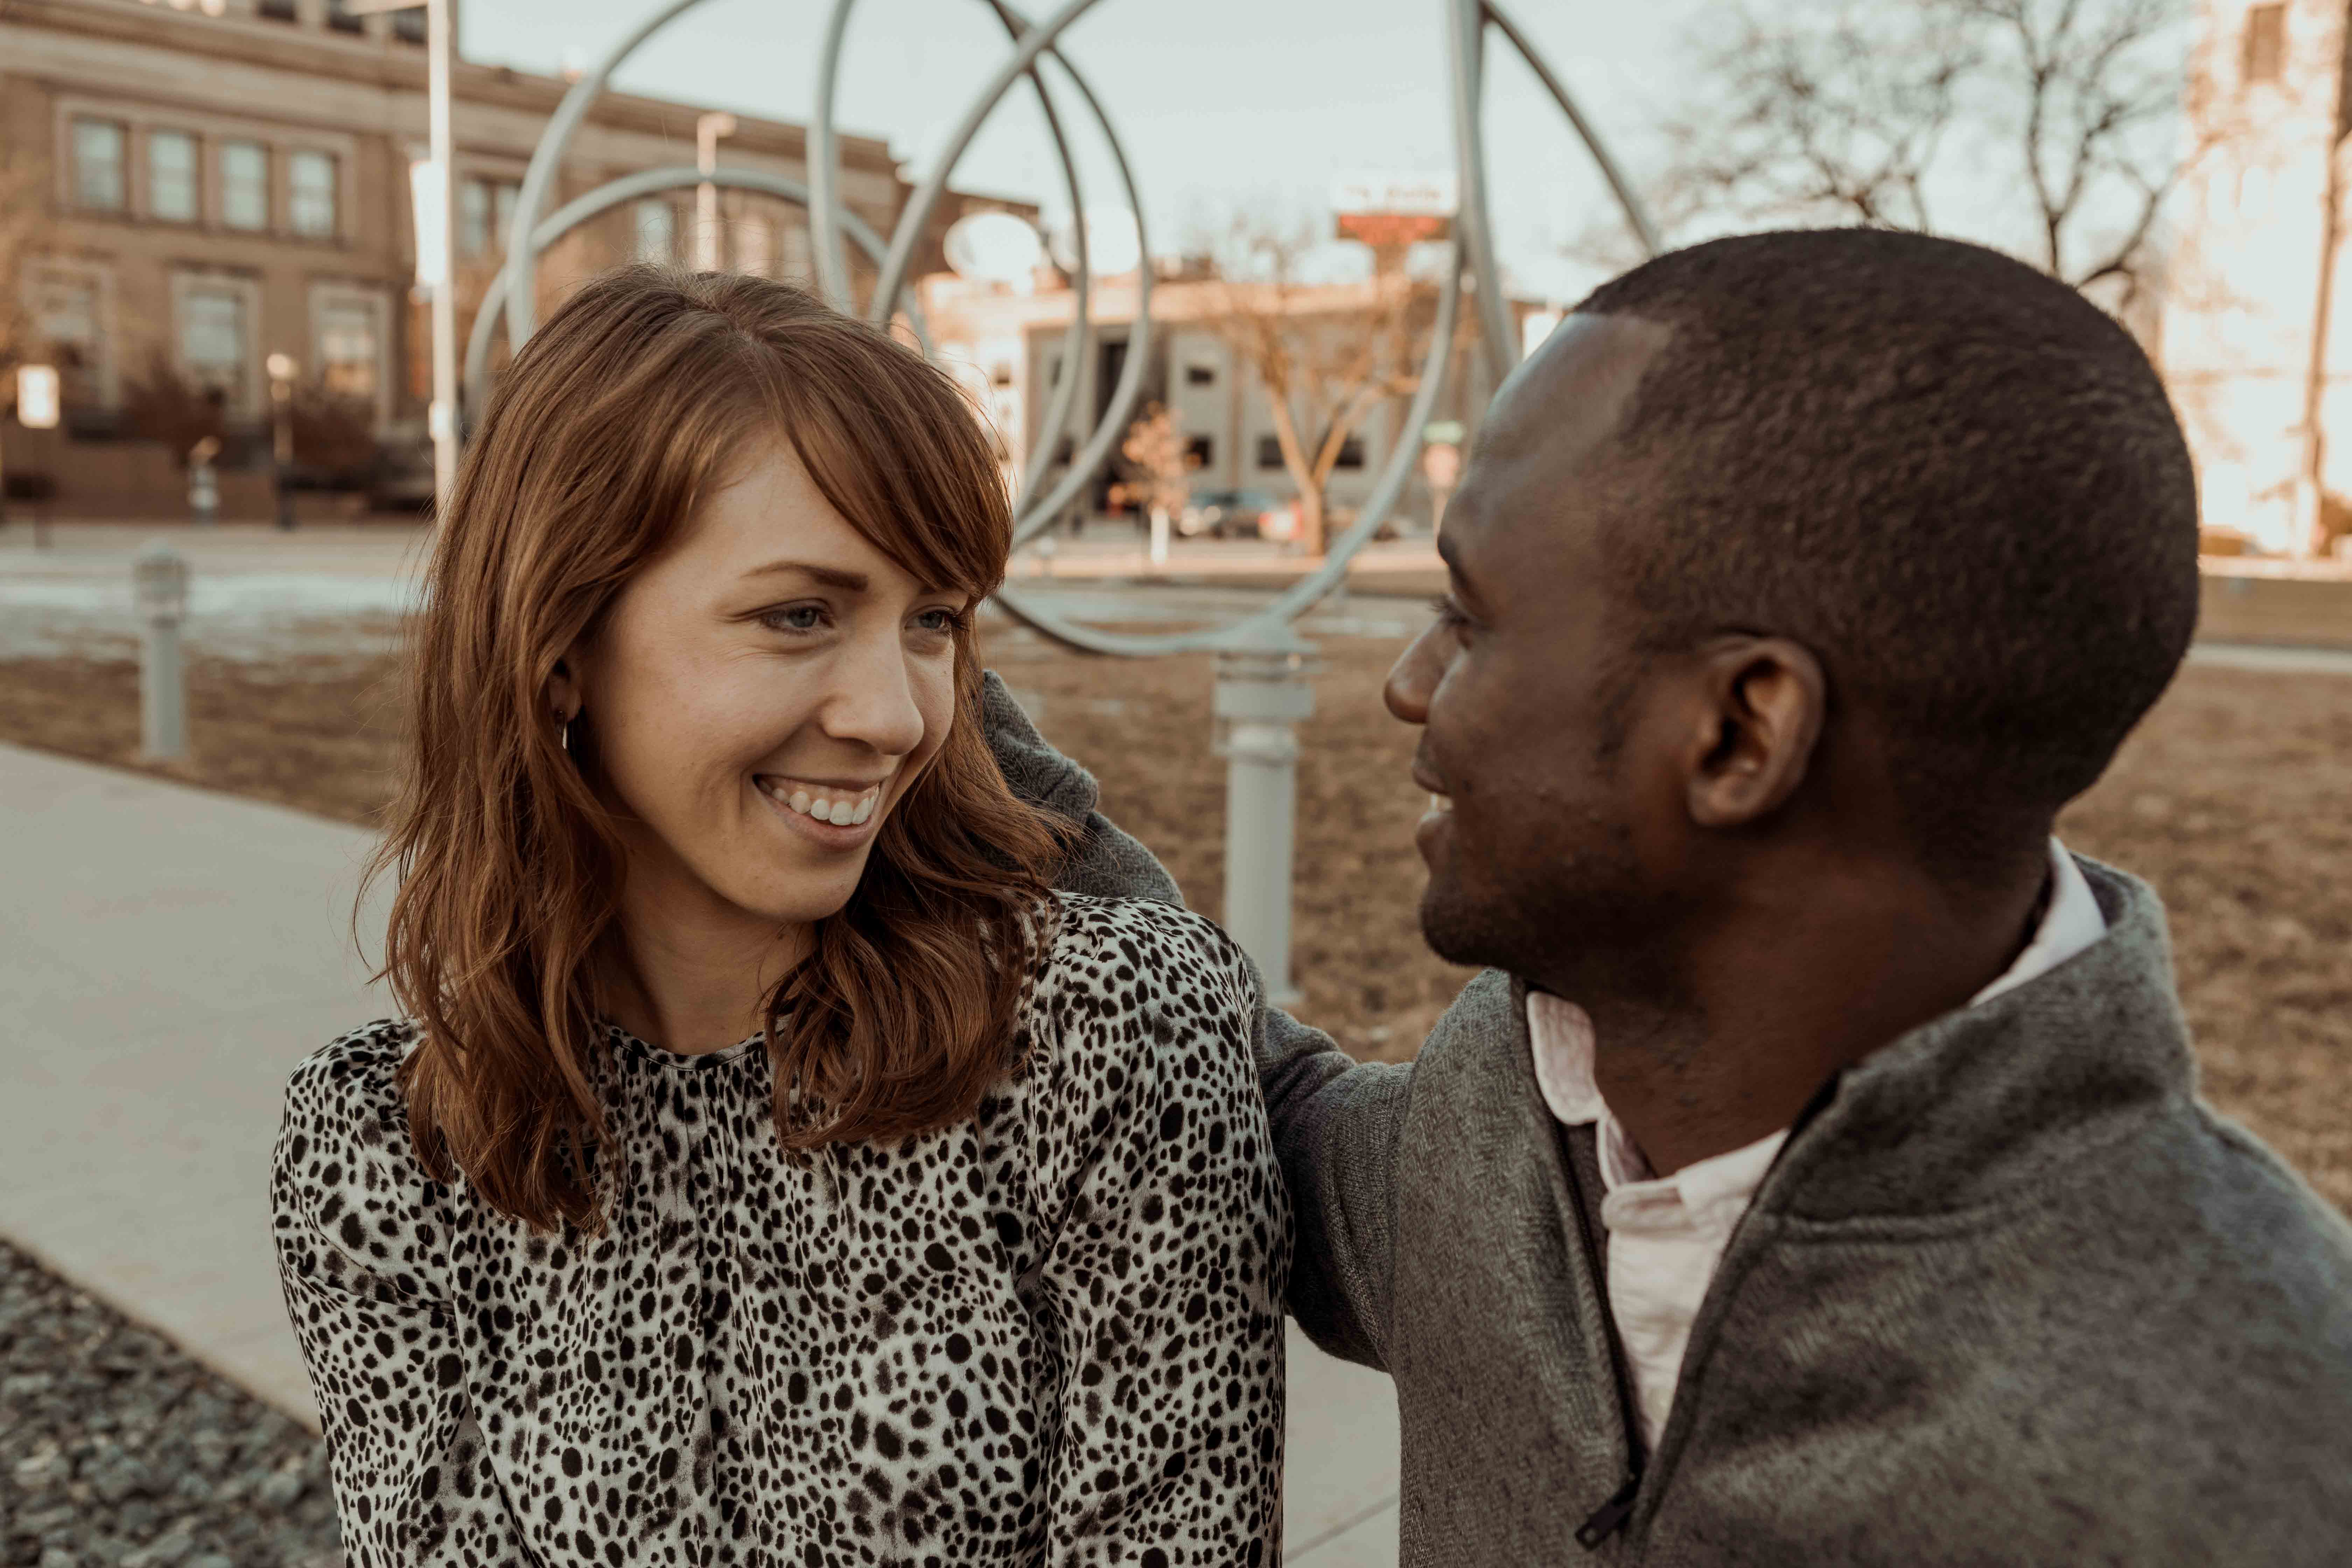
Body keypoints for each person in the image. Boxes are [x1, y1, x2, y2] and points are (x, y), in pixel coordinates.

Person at [987, 229, 2352, 1562]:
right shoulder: (1504, 1120)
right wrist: (942, 716)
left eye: (1471, 617)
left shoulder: (2256, 1452)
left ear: (1740, 733)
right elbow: (1249, 1115)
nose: (1408, 684)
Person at [270, 268, 1288, 1566]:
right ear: (561, 647)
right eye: (799, 615)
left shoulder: (1104, 1036)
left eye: (931, 620)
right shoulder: (390, 1149)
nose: (900, 717)